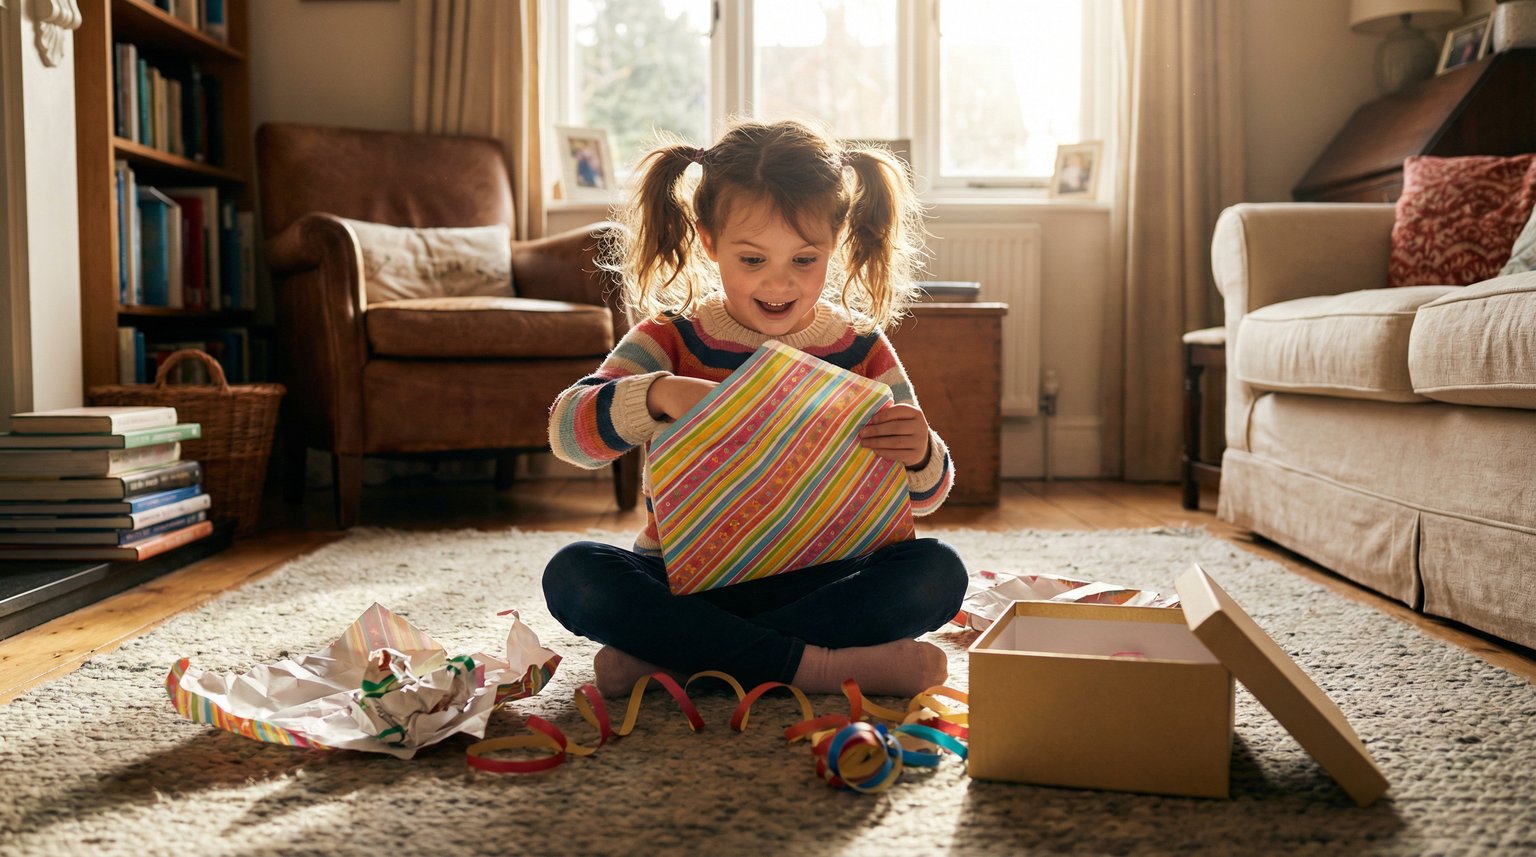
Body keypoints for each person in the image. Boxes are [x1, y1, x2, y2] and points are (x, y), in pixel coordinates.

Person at [543, 119, 967, 698]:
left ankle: (677, 660)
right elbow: (570, 434)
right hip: (689, 580)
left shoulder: (861, 346)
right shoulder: (669, 337)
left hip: (827, 578)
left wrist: (921, 452)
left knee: (937, 573)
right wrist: (658, 394)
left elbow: (927, 495)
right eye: (752, 260)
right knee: (574, 575)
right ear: (710, 241)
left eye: (803, 260)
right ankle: (821, 668)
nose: (778, 283)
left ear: (834, 245)